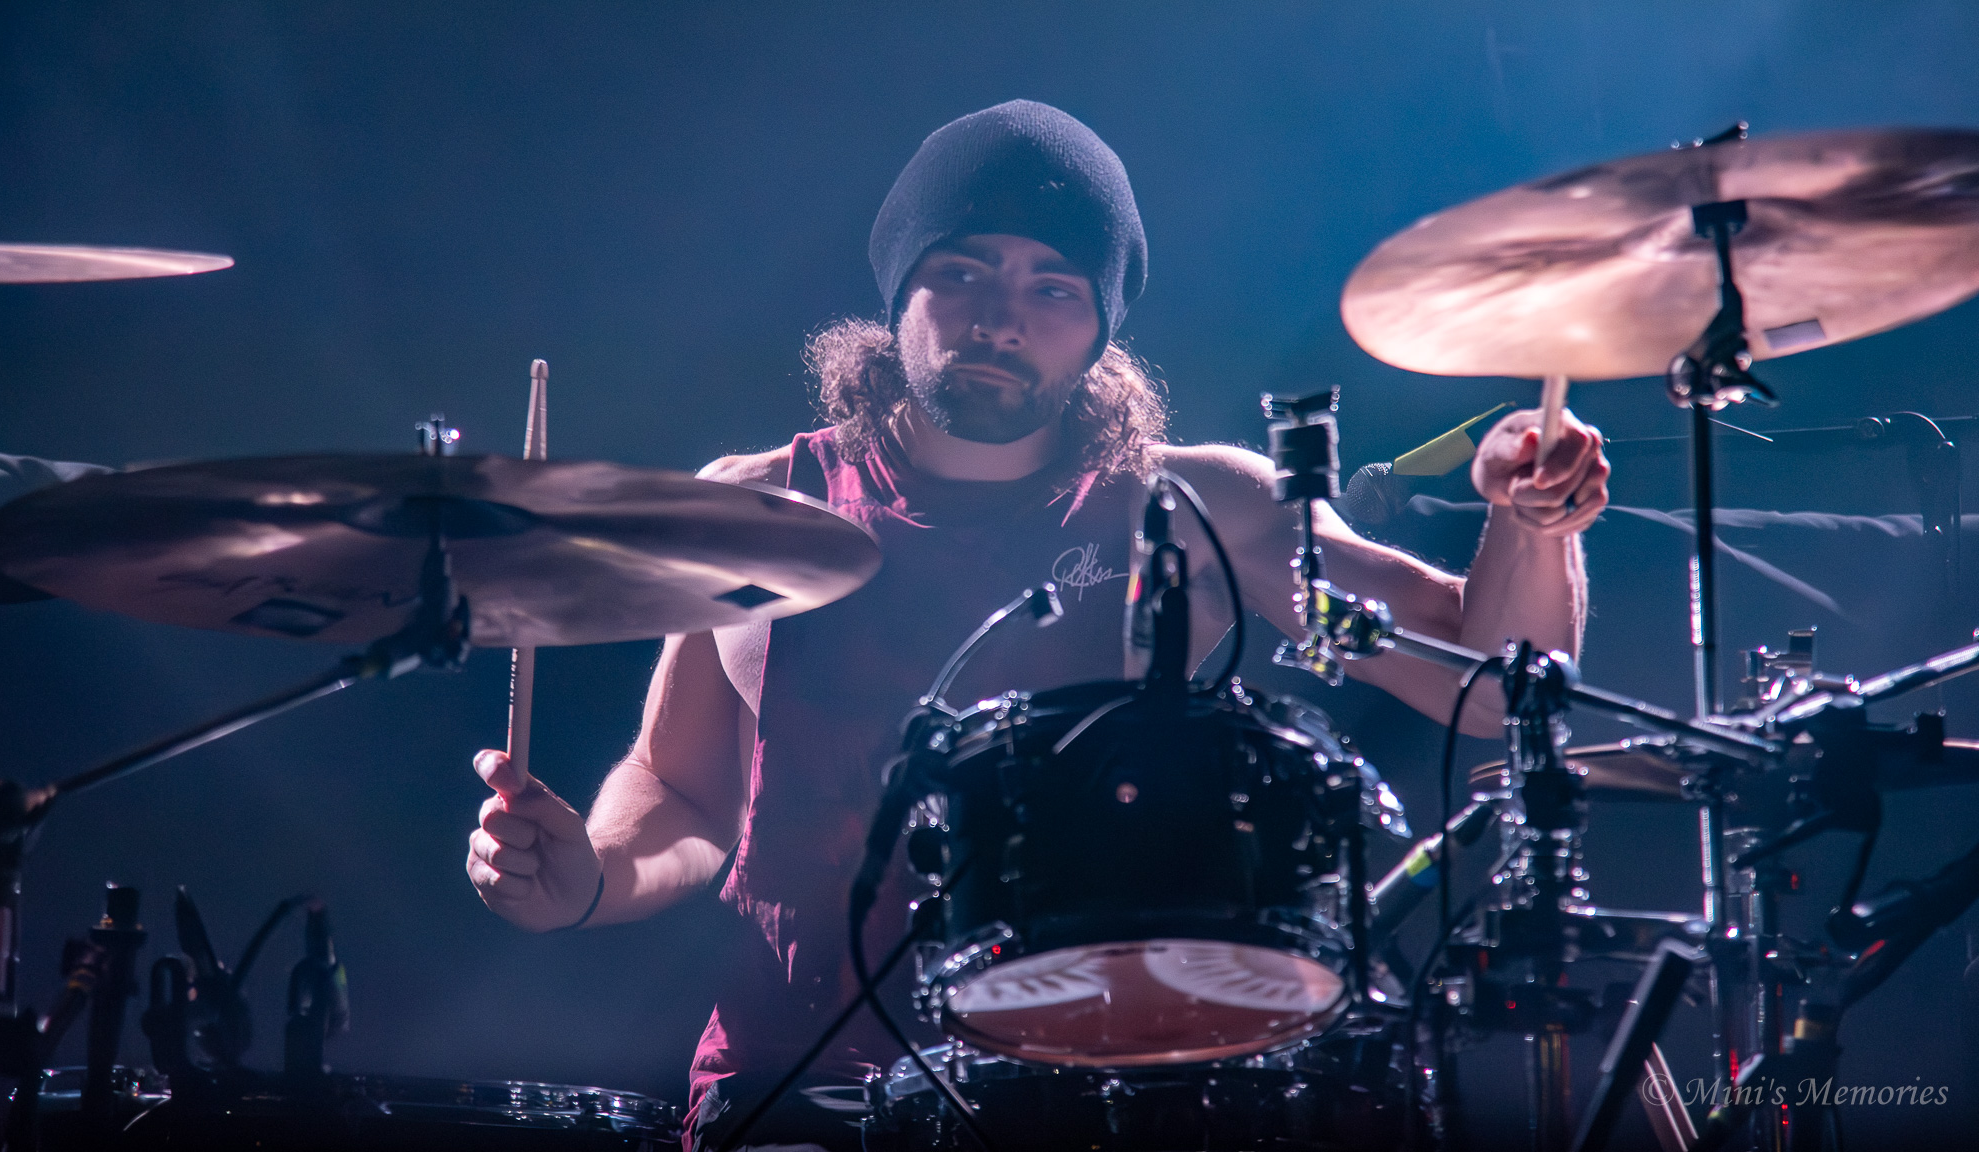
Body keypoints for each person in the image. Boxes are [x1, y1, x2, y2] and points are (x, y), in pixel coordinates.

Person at [463, 100, 1607, 1151]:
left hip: (1104, 1100)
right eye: (960, 271)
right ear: (897, 298)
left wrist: (1528, 523)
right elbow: (681, 792)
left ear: (1100, 327)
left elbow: (1492, 682)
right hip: (787, 1098)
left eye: (1053, 288)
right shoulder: (755, 510)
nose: (999, 319)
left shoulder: (1196, 508)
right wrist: (588, 877)